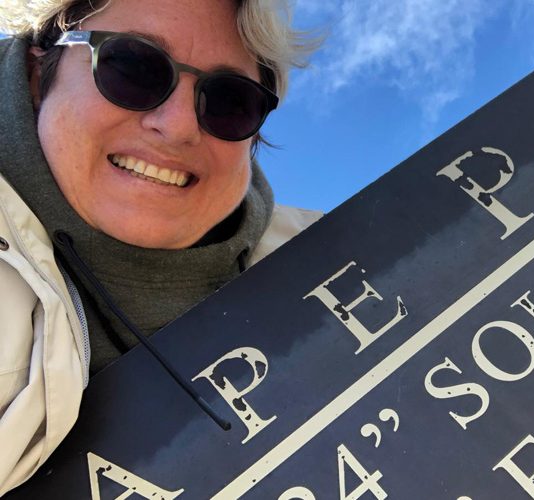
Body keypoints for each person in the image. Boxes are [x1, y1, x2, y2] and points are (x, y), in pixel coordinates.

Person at [0, 0, 321, 493]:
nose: (178, 127)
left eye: (230, 100)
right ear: (37, 72)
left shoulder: (343, 265)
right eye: (132, 67)